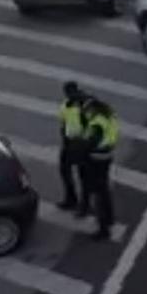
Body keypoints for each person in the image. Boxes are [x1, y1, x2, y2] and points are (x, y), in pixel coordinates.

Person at [80, 97, 119, 241]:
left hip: (96, 158)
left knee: (98, 194)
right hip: (108, 155)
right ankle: (109, 218)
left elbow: (91, 143)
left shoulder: (97, 124)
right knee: (104, 190)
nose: (86, 113)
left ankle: (103, 229)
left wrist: (82, 151)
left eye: (87, 110)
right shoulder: (110, 117)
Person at [57, 82, 87, 212]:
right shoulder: (72, 103)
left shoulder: (78, 104)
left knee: (76, 173)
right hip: (75, 143)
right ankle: (77, 201)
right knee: (76, 173)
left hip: (78, 143)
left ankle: (76, 201)